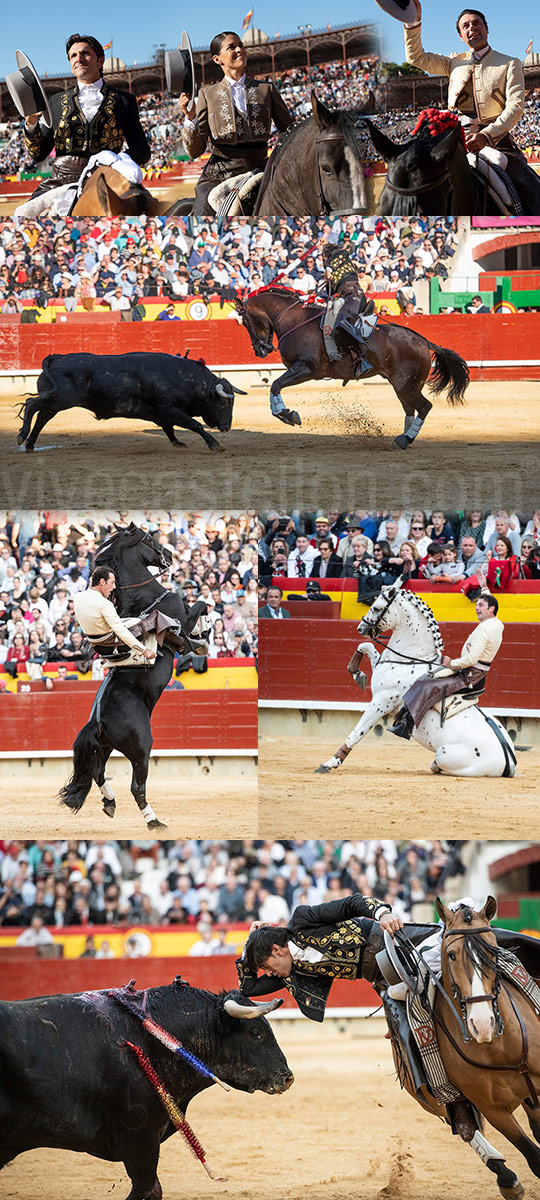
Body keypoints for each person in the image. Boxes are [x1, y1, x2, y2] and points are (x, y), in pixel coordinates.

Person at [403, 3, 540, 212]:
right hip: (455, 138)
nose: (472, 28)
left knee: (531, 188)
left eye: (476, 23)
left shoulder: (510, 63)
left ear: (486, 28)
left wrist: (486, 135)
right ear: (461, 36)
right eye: (465, 26)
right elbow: (416, 57)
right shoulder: (452, 62)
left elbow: (515, 107)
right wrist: (412, 23)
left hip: (497, 141)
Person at [235, 893, 403, 1022]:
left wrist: (382, 914)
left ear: (276, 949)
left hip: (391, 943)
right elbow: (248, 989)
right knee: (402, 1033)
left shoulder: (302, 920)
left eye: (265, 966)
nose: (268, 973)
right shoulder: (291, 973)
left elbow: (351, 904)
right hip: (383, 977)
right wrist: (248, 946)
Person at [23, 33, 151, 198]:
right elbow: (38, 153)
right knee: (24, 214)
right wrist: (31, 124)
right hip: (61, 181)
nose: (79, 58)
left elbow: (142, 150)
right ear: (70, 63)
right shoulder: (55, 102)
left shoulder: (124, 100)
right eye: (73, 56)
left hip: (108, 178)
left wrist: (115, 160)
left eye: (85, 53)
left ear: (100, 60)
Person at [179, 31, 293, 215]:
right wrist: (189, 117)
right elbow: (195, 151)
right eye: (231, 47)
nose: (239, 50)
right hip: (220, 174)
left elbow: (289, 132)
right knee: (203, 212)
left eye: (241, 45)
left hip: (261, 167)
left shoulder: (267, 89)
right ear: (218, 59)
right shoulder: (207, 95)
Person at [390, 593, 503, 739]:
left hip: (469, 678)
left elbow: (472, 658)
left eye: (480, 605)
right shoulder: (497, 624)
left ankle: (406, 726)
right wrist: (484, 587)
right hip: (476, 675)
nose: (476, 608)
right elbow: (490, 602)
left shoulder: (484, 629)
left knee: (426, 686)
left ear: (491, 609)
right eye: (476, 605)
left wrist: (452, 664)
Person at [73, 566, 155, 662]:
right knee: (146, 621)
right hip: (112, 646)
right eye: (112, 583)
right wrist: (143, 650)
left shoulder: (77, 597)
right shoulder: (104, 604)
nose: (114, 587)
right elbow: (121, 631)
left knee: (128, 621)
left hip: (96, 646)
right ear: (102, 582)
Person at [320, 241, 372, 372]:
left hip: (353, 293)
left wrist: (328, 269)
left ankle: (363, 358)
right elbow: (329, 292)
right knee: (332, 323)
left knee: (343, 322)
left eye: (324, 259)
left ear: (328, 256)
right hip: (343, 297)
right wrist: (327, 280)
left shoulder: (341, 256)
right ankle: (346, 356)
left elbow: (343, 253)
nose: (324, 262)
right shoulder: (330, 272)